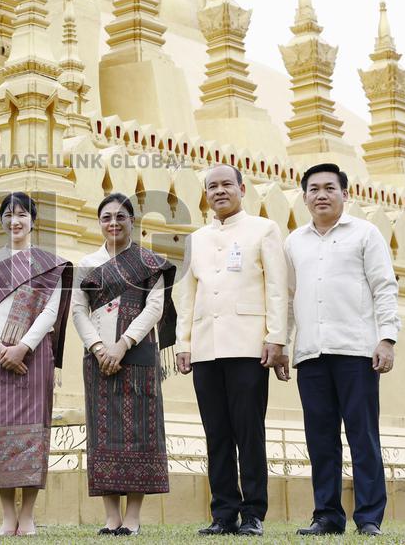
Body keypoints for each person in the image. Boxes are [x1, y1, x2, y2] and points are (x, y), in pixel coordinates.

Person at [282, 163, 400, 537]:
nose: (321, 195)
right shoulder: (293, 242)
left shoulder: (365, 234)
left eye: (329, 188)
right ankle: (327, 516)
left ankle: (368, 517)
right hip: (311, 354)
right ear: (304, 198)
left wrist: (387, 338)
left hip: (356, 351)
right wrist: (283, 345)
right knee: (320, 439)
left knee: (362, 435)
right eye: (313, 189)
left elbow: (384, 286)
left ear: (345, 195)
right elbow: (287, 298)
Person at [174, 164, 288, 537]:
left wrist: (277, 337)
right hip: (206, 347)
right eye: (212, 187)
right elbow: (187, 295)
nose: (219, 191)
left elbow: (277, 287)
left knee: (248, 432)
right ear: (205, 195)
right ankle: (223, 513)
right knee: (216, 433)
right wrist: (184, 343)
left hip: (247, 346)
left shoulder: (264, 229)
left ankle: (253, 512)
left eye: (227, 184)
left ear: (242, 189)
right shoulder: (197, 239)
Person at [71, 192, 177, 536]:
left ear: (133, 221)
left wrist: (122, 345)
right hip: (98, 360)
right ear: (99, 222)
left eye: (120, 217)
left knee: (139, 435)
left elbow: (155, 308)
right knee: (103, 436)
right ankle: (111, 517)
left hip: (139, 356)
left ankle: (132, 518)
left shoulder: (150, 263)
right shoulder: (86, 264)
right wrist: (100, 348)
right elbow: (77, 311)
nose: (113, 223)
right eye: (106, 217)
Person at [0, 192, 73, 536]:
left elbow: (50, 312)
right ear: (1, 220)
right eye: (9, 214)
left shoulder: (49, 264)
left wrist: (23, 347)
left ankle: (27, 514)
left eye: (22, 215)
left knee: (34, 433)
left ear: (33, 220)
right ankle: (7, 515)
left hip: (34, 355)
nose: (15, 221)